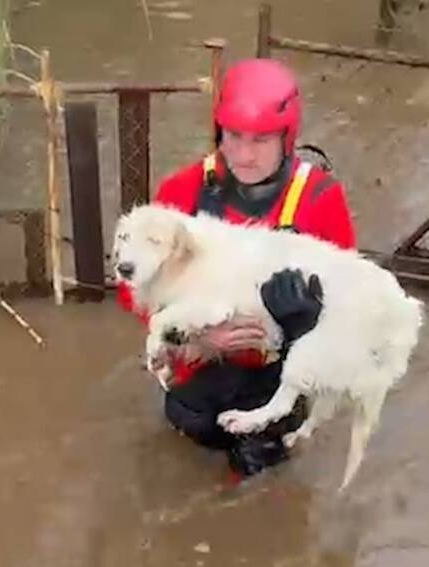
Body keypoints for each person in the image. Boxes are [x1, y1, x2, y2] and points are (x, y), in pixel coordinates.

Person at [115, 57, 358, 481]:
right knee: (187, 428)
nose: (244, 155)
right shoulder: (182, 190)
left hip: (275, 371)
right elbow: (132, 287)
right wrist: (194, 334)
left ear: (287, 137)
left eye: (262, 140)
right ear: (218, 132)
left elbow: (350, 303)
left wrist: (305, 320)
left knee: (260, 461)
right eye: (234, 136)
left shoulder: (318, 199)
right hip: (200, 365)